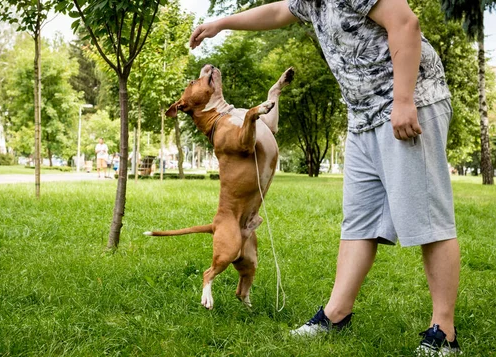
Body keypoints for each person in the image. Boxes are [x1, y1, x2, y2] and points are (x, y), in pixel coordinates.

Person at [190, 0, 461, 355]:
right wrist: (222, 23)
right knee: (359, 221)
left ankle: (444, 333)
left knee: (427, 216)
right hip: (363, 115)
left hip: (406, 104)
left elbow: (405, 23)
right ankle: (336, 314)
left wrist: (404, 100)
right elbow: (276, 12)